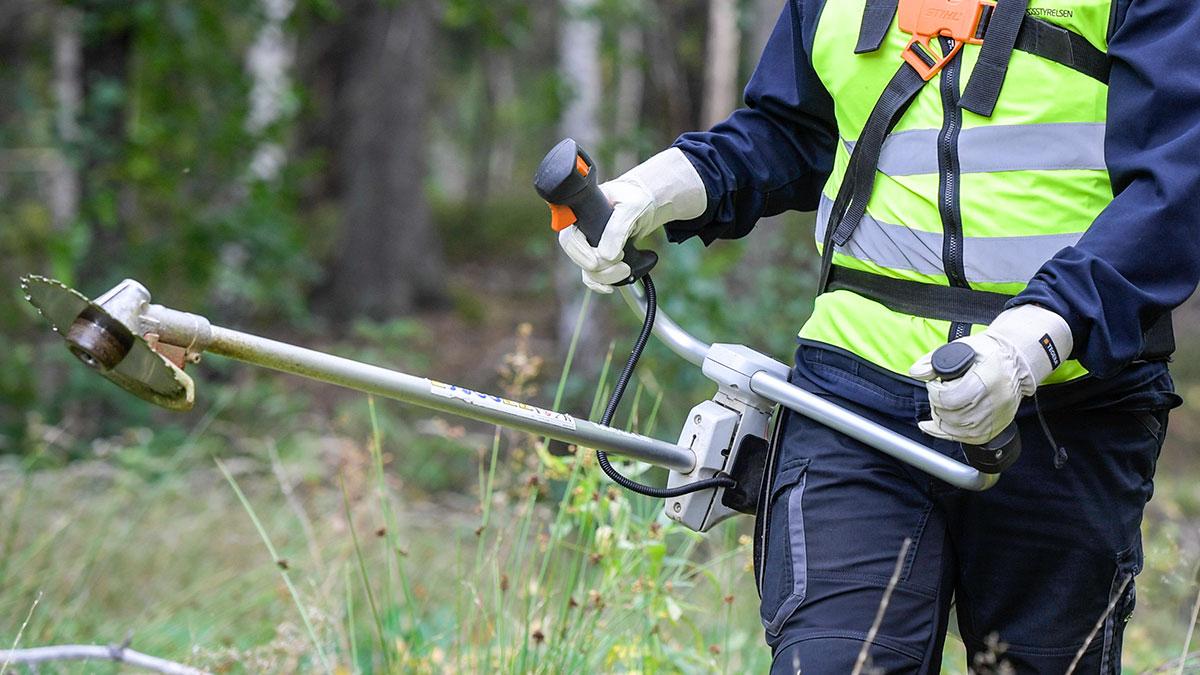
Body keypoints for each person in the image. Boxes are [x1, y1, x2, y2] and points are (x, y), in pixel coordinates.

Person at [557, 0, 1199, 671]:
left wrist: (1031, 342)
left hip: (1066, 404)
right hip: (851, 396)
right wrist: (658, 189)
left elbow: (1174, 187)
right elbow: (794, 130)